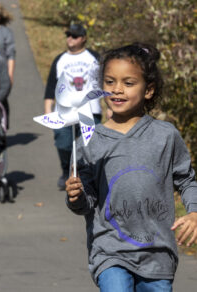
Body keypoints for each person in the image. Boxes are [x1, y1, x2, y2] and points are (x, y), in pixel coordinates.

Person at [65, 43, 197, 291]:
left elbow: (187, 180)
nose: (117, 89)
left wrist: (194, 212)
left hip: (157, 254)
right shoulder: (88, 142)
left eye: (128, 83)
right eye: (110, 81)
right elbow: (87, 202)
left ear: (149, 90)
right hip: (110, 250)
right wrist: (76, 197)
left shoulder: (165, 136)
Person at [44, 23, 102, 190]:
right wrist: (48, 110)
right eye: (68, 35)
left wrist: (110, 107)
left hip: (90, 111)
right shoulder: (60, 59)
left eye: (74, 35)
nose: (70, 38)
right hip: (64, 112)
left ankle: (90, 177)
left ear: (83, 38)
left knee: (91, 146)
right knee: (63, 144)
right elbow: (50, 86)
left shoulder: (94, 57)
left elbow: (106, 83)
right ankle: (66, 171)